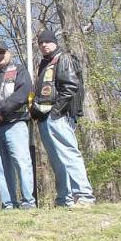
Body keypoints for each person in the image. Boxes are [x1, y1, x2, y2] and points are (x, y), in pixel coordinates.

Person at [32, 29, 95, 207]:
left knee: (69, 154)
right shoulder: (45, 63)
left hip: (59, 116)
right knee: (57, 160)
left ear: (55, 42)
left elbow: (70, 86)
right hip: (46, 118)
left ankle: (84, 195)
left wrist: (55, 111)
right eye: (41, 42)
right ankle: (64, 198)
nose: (44, 45)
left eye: (47, 41)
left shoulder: (63, 58)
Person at [0, 44, 35, 209]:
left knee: (21, 162)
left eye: (1, 53)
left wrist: (1, 110)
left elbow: (23, 93)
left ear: (8, 54)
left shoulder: (19, 70)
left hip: (15, 122)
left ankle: (28, 202)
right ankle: (9, 203)